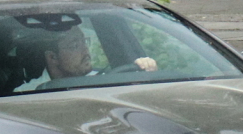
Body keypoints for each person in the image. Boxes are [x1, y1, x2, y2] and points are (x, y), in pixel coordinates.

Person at [15, 26, 156, 92]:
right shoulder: (27, 94)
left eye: (84, 41)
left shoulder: (105, 79)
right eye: (75, 45)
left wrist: (147, 72)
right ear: (52, 57)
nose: (85, 50)